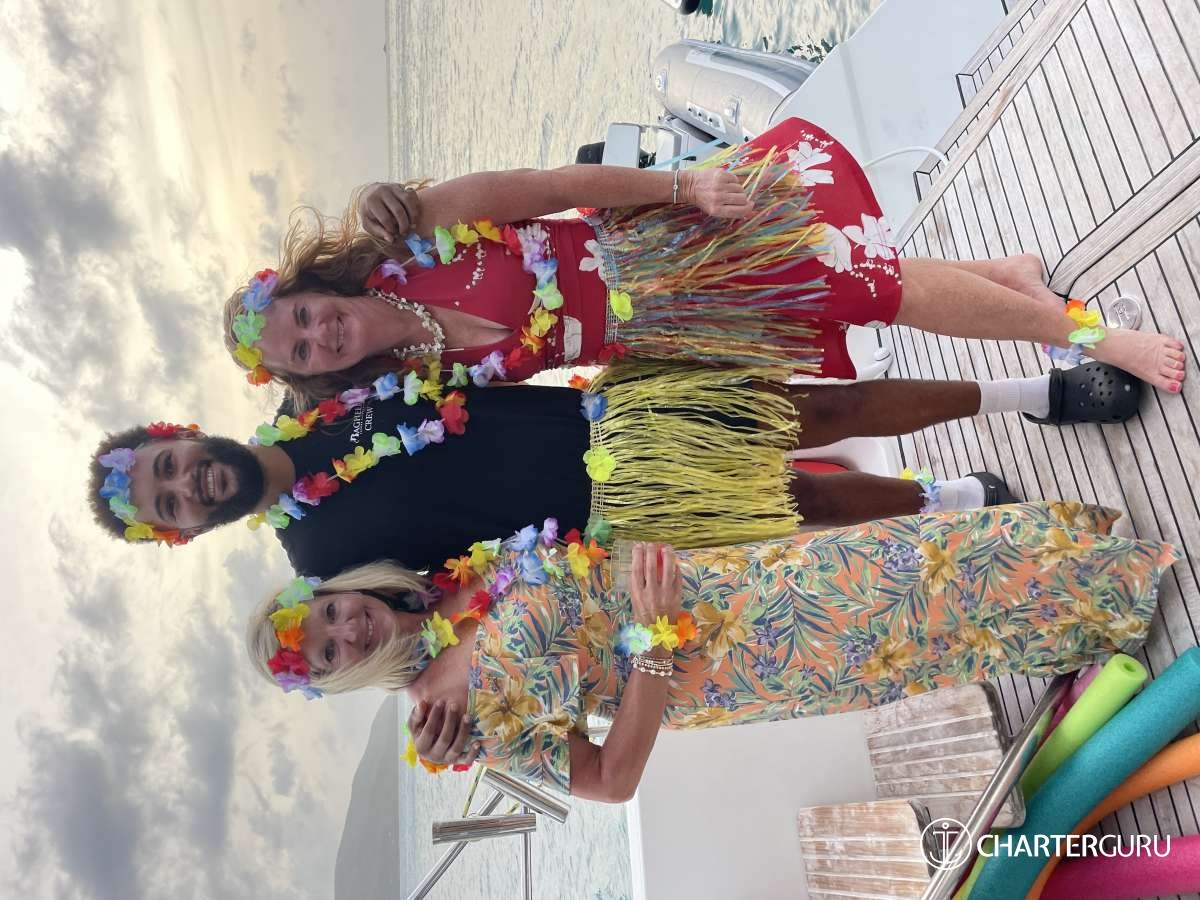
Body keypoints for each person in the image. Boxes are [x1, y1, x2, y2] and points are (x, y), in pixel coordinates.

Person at [221, 117, 1184, 412]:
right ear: (310, 373)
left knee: (875, 291)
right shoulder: (404, 391)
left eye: (300, 315)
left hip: (671, 249)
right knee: (856, 289)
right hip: (673, 337)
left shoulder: (417, 232)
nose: (316, 334)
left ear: (309, 288)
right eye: (298, 351)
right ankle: (1005, 276)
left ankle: (1095, 336)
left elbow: (558, 182)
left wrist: (684, 188)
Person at [245, 506, 1176, 799]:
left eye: (329, 615)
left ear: (338, 590)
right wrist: (653, 640)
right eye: (326, 655)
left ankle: (1091, 553)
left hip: (732, 578)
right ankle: (1118, 593)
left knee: (914, 551)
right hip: (730, 662)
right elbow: (609, 780)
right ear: (338, 679)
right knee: (917, 618)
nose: (346, 632)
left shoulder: (445, 583)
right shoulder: (449, 716)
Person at [87, 360, 1140, 578]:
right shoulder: (318, 564)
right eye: (170, 503)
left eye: (171, 466)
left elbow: (421, 308)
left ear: (182, 432)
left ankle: (1037, 394)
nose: (189, 485)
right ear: (181, 532)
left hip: (618, 408)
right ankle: (954, 498)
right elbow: (433, 612)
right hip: (619, 506)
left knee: (829, 407)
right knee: (805, 500)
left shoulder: (326, 385)